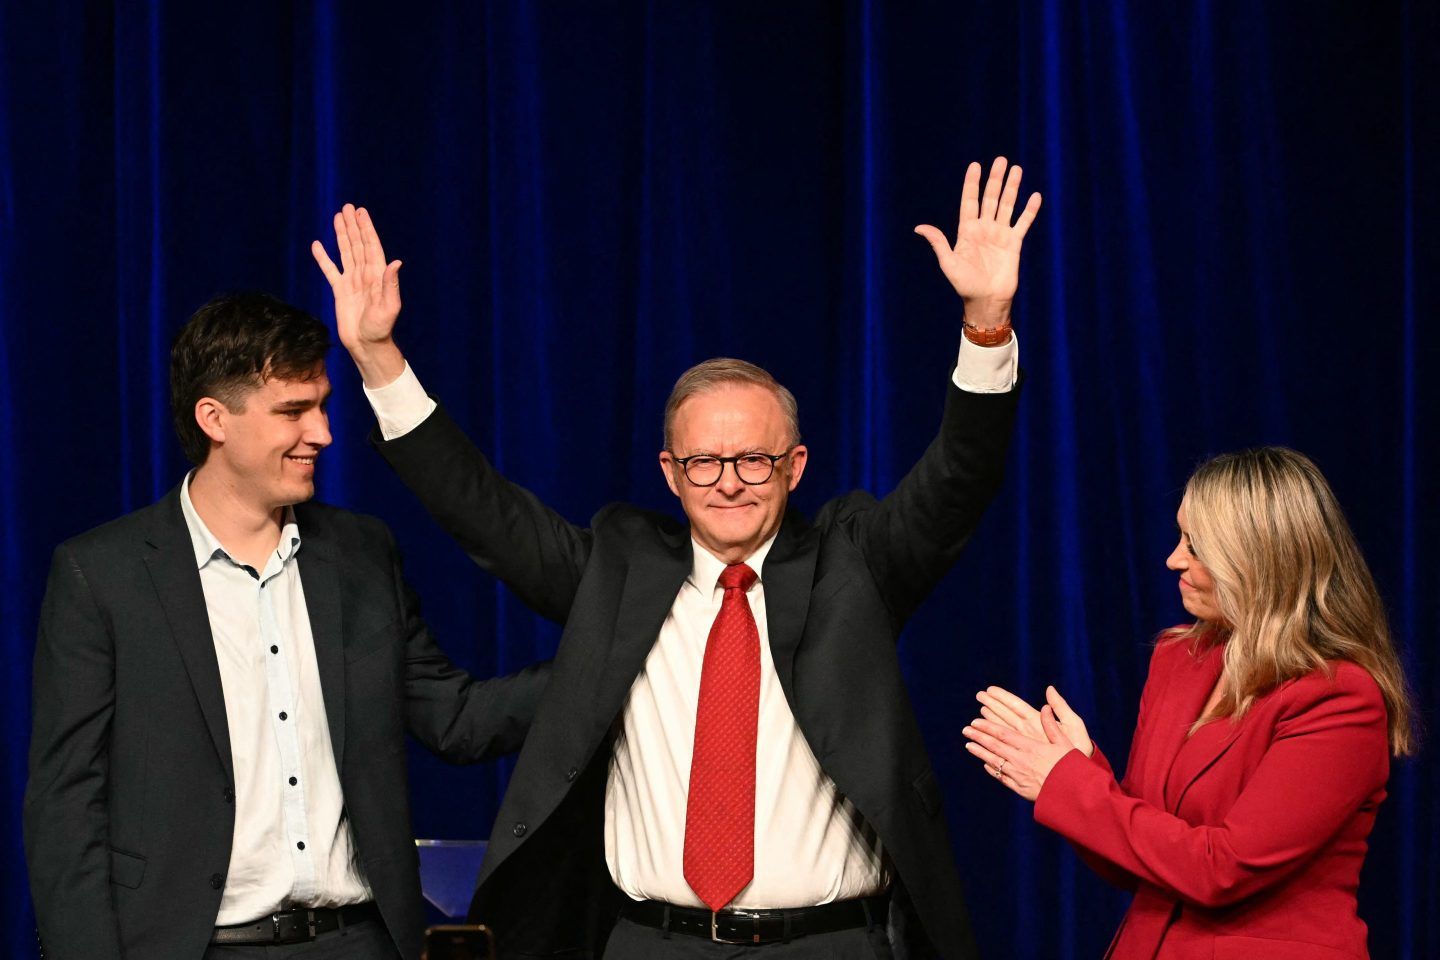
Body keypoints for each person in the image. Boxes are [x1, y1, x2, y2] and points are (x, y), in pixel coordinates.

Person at [311, 156, 1041, 959]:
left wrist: (986, 325)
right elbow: (483, 511)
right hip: (651, 941)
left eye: (754, 462)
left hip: (828, 944)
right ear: (670, 472)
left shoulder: (852, 564)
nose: (728, 484)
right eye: (703, 463)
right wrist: (379, 358)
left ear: (795, 467)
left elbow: (957, 484)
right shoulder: (621, 571)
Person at [23, 293, 550, 960]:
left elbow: (455, 717)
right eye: (293, 411)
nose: (324, 432)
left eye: (323, 405)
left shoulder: (361, 553)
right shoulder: (103, 575)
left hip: (357, 941)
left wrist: (611, 667)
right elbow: (66, 807)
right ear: (213, 418)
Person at [961, 447, 1415, 960]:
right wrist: (1084, 768)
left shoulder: (1339, 698)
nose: (1173, 559)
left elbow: (1222, 870)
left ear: (1257, 560)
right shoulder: (1180, 658)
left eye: (1195, 546)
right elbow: (1140, 856)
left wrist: (1069, 783)